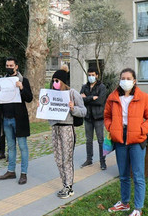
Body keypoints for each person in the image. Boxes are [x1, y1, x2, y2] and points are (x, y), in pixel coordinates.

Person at [104, 68, 148, 216]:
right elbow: (107, 116)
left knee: (138, 176)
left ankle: (138, 208)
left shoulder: (143, 97)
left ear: (134, 81)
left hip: (137, 139)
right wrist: (111, 128)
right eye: (123, 78)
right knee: (123, 174)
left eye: (128, 78)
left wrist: (142, 129)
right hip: (120, 138)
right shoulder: (113, 97)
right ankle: (125, 203)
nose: (125, 81)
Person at [0, 57, 33, 185]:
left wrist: (21, 88)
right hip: (6, 119)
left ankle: (23, 173)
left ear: (16, 67)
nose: (9, 67)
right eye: (7, 65)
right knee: (10, 147)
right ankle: (11, 171)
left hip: (19, 119)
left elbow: (29, 98)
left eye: (11, 65)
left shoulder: (23, 80)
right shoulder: (2, 81)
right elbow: (0, 98)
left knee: (22, 146)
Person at [48, 68, 86, 198]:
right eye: (53, 81)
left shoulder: (72, 93)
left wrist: (73, 108)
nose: (55, 83)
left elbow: (83, 111)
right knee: (58, 159)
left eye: (57, 80)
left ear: (63, 81)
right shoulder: (52, 94)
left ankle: (69, 186)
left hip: (67, 128)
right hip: (56, 128)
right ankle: (64, 183)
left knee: (67, 159)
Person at [80, 67, 107, 170]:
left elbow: (100, 101)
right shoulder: (84, 87)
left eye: (93, 75)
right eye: (89, 75)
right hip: (88, 117)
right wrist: (92, 97)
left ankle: (102, 161)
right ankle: (89, 159)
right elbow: (80, 100)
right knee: (88, 140)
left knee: (101, 140)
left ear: (97, 75)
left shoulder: (102, 87)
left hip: (98, 117)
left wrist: (86, 98)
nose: (91, 77)